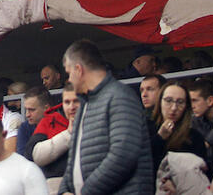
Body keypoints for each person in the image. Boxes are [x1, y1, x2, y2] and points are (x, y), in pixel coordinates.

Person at [58, 39, 153, 194]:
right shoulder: (84, 104)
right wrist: (64, 190)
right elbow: (74, 158)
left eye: (69, 73)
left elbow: (123, 154)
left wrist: (85, 192)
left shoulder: (120, 96)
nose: (68, 80)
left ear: (78, 69)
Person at [148, 81, 208, 172]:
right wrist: (159, 138)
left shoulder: (194, 137)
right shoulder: (146, 128)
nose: (174, 108)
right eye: (168, 101)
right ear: (160, 102)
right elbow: (140, 161)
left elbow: (202, 170)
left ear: (186, 107)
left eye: (180, 102)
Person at [30, 85, 80, 192]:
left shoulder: (98, 120)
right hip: (56, 188)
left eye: (76, 101)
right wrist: (68, 135)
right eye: (67, 102)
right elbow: (35, 155)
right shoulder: (49, 120)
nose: (71, 107)